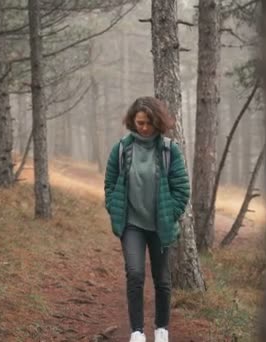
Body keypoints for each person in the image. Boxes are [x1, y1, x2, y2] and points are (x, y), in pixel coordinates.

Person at [104, 97, 190, 342]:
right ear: (132, 121)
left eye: (148, 123)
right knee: (135, 274)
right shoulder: (121, 148)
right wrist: (114, 207)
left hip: (160, 225)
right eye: (139, 122)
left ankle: (161, 330)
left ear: (157, 122)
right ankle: (137, 332)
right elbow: (110, 183)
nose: (143, 128)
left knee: (162, 279)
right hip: (131, 224)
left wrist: (169, 213)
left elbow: (182, 189)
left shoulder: (168, 149)